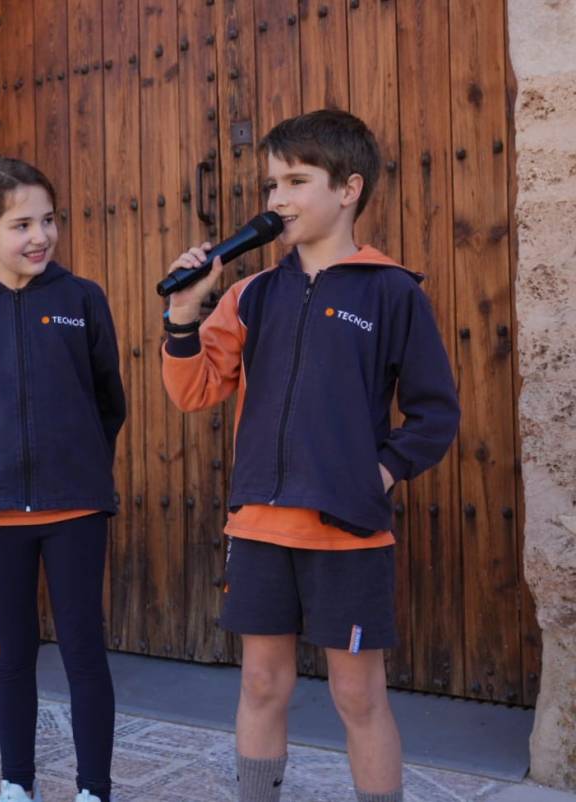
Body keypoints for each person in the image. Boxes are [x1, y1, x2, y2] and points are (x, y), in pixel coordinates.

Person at [160, 109, 460, 802]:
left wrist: (379, 471)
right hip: (260, 529)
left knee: (358, 695)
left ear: (349, 189)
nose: (278, 199)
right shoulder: (252, 293)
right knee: (262, 683)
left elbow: (435, 413)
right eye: (272, 184)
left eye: (297, 181)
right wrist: (182, 317)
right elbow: (194, 390)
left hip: (347, 534)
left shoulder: (392, 291)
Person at [0, 157, 127, 802]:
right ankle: (17, 784)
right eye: (22, 225)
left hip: (76, 508)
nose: (40, 236)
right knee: (11, 653)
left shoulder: (82, 299)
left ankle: (93, 789)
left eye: (48, 220)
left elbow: (109, 402)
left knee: (83, 651)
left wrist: (82, 466)